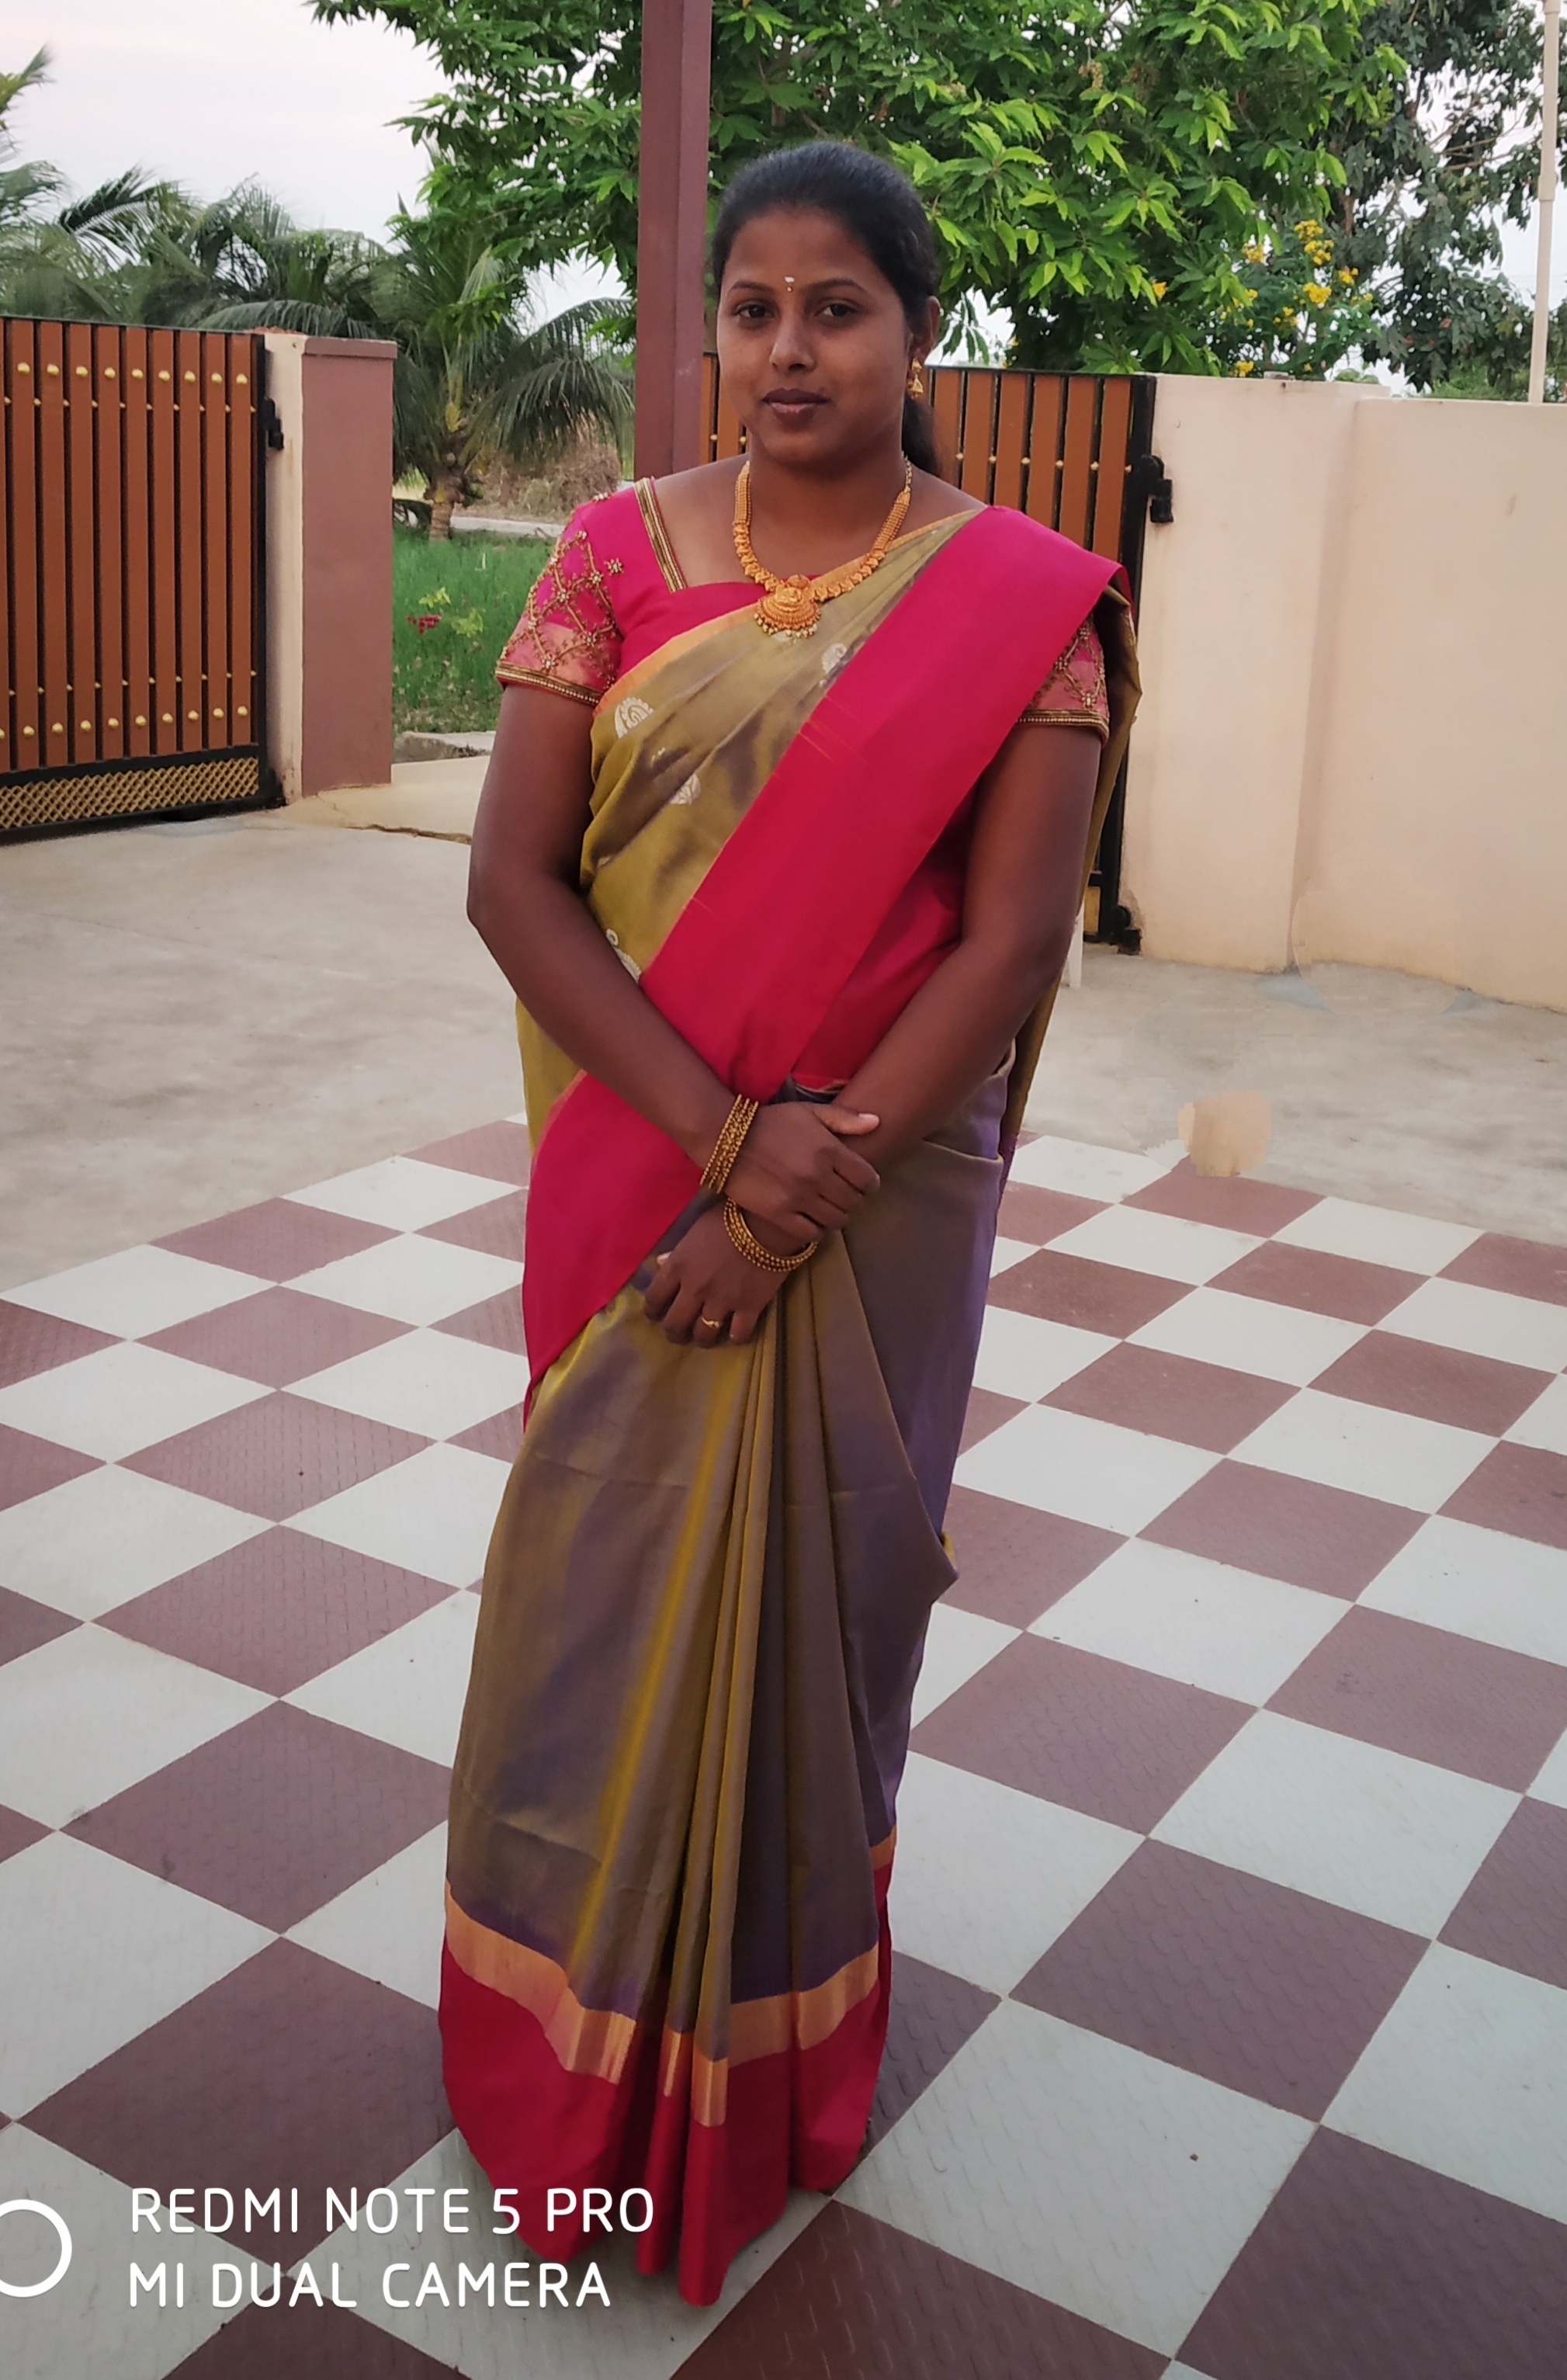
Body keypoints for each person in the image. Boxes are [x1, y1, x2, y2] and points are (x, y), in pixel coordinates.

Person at [442, 139, 1139, 2308]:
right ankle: (564, 2056)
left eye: (837, 308)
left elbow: (1010, 938)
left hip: (876, 1200)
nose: (787, 349)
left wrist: (798, 1182)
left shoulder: (1018, 601)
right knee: (592, 1596)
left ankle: (769, 2059)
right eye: (752, 309)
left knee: (827, 1602)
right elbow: (513, 885)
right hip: (646, 1178)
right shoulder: (614, 553)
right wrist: (722, 1140)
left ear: (919, 334)